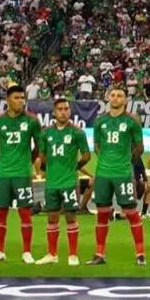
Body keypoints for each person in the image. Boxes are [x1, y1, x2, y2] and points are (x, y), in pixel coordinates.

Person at [87, 86, 146, 266]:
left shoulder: (132, 120)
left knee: (131, 213)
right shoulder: (99, 121)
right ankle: (99, 254)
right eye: (112, 95)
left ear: (126, 100)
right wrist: (106, 159)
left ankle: (140, 254)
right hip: (103, 174)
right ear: (107, 98)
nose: (115, 98)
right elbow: (97, 146)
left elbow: (140, 148)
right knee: (102, 213)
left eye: (119, 95)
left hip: (123, 173)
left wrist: (126, 160)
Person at [0, 85, 42, 264]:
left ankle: (26, 251)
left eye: (22, 98)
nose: (21, 101)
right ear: (7, 100)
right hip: (2, 174)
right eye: (17, 98)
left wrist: (28, 160)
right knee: (0, 212)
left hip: (22, 174)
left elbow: (38, 147)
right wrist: (4, 159)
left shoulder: (32, 121)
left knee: (25, 212)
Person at [35, 98, 91, 266]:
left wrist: (75, 167)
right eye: (60, 109)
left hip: (68, 182)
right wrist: (42, 168)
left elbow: (86, 155)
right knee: (52, 218)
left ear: (70, 111)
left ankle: (73, 255)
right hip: (51, 183)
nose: (63, 112)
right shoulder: (46, 133)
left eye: (66, 109)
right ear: (54, 112)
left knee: (70, 217)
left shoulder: (77, 132)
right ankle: (52, 254)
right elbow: (42, 157)